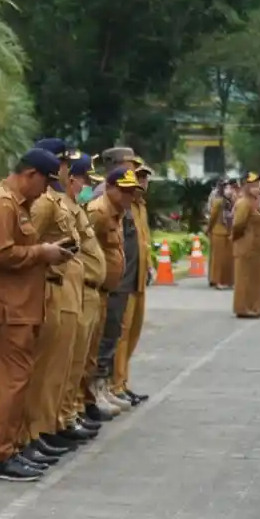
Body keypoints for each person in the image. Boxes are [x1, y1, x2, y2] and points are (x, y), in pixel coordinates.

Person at [0, 148, 73, 481]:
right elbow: (1, 253)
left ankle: (15, 449)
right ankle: (1, 456)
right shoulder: (0, 204)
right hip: (7, 308)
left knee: (20, 382)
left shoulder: (18, 205)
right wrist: (42, 252)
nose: (46, 191)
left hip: (21, 306)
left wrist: (48, 253)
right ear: (30, 174)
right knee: (13, 385)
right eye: (45, 182)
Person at [18, 139, 90, 468]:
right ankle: (35, 431)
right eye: (63, 164)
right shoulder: (44, 202)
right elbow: (27, 243)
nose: (66, 170)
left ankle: (47, 427)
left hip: (66, 288)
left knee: (58, 368)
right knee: (44, 370)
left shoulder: (57, 200)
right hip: (50, 288)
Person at [61, 153, 108, 429]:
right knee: (68, 363)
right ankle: (64, 417)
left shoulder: (77, 208)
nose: (88, 186)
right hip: (73, 292)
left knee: (80, 360)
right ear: (72, 179)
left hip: (89, 291)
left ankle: (72, 412)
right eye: (86, 180)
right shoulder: (62, 208)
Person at [89, 168, 141, 415]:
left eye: (131, 192)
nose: (128, 197)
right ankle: (93, 393)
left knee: (112, 336)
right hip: (100, 288)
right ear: (109, 187)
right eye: (123, 191)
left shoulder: (119, 212)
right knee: (100, 341)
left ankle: (105, 387)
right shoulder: (98, 212)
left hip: (116, 286)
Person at [111, 158, 153, 407]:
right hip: (124, 279)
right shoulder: (122, 206)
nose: (144, 181)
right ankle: (115, 384)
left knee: (133, 333)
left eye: (146, 177)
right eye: (140, 176)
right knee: (121, 335)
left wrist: (149, 264)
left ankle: (122, 382)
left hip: (138, 277)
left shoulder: (140, 206)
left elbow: (143, 240)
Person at [232, 172, 260, 319]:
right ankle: (243, 307)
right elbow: (238, 226)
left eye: (258, 186)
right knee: (245, 278)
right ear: (246, 188)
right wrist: (242, 242)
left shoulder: (254, 204)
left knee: (254, 278)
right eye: (254, 186)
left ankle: (254, 306)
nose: (258, 189)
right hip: (247, 247)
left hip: (255, 249)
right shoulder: (243, 203)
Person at [206, 179, 236, 290]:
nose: (229, 190)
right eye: (226, 188)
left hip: (228, 232)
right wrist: (209, 229)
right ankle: (216, 280)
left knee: (227, 259)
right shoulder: (218, 201)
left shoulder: (231, 201)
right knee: (218, 259)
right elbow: (213, 217)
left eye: (229, 188)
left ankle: (227, 280)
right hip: (218, 232)